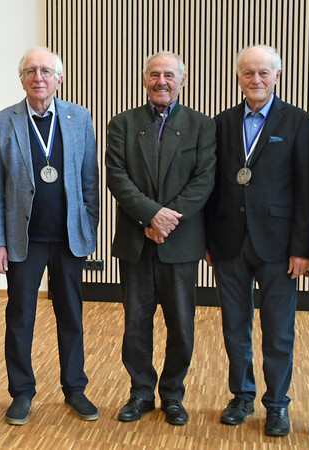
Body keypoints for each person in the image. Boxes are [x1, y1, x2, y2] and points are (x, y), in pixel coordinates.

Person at [204, 45, 309, 436]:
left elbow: (307, 191)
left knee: (278, 329)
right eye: (248, 73)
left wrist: (303, 248)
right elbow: (212, 186)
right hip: (229, 243)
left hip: (279, 247)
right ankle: (241, 396)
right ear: (239, 78)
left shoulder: (299, 123)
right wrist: (208, 239)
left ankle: (277, 404)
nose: (256, 80)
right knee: (234, 325)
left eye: (263, 73)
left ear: (277, 77)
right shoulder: (221, 123)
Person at [0, 47, 99, 426]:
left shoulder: (80, 118)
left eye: (47, 71)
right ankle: (21, 392)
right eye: (31, 71)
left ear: (59, 79)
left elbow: (88, 181)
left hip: (68, 239)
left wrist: (89, 225)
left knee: (71, 316)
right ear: (22, 79)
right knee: (20, 317)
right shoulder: (3, 122)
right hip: (24, 239)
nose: (39, 77)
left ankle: (75, 389)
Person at [105, 51, 215, 426]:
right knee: (136, 322)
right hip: (136, 242)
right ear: (145, 79)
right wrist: (150, 215)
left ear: (182, 81)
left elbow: (203, 181)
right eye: (155, 74)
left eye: (169, 75)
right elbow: (116, 177)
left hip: (180, 243)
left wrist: (166, 220)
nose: (161, 81)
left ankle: (172, 394)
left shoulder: (202, 126)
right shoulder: (122, 124)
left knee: (181, 324)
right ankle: (140, 393)